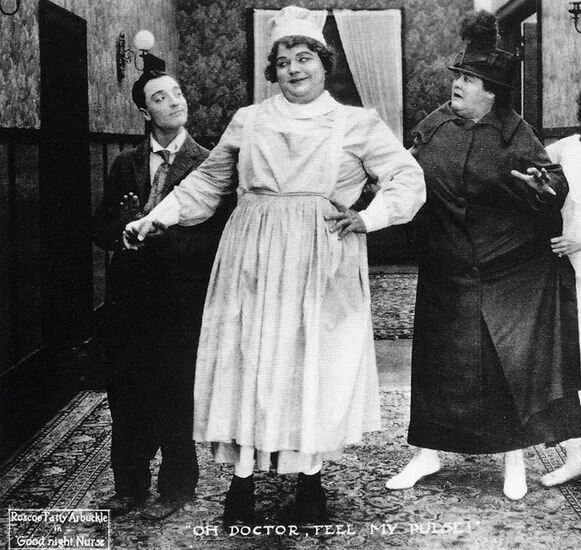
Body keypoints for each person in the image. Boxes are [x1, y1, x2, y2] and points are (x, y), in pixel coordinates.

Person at [124, 5, 425, 527]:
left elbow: (408, 179)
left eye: (304, 58)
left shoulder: (357, 123)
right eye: (283, 62)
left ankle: (310, 481)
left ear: (323, 64)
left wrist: (368, 218)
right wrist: (157, 217)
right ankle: (241, 482)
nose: (293, 69)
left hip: (321, 261)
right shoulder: (250, 119)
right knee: (250, 362)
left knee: (310, 366)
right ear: (273, 70)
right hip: (252, 256)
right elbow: (208, 182)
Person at [385, 11, 581, 500]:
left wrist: (544, 187)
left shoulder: (517, 133)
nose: (457, 85)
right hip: (447, 267)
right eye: (457, 76)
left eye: (468, 80)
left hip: (507, 270)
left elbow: (553, 186)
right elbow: (405, 175)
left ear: (491, 92)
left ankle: (513, 461)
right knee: (438, 364)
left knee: (503, 367)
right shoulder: (434, 126)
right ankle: (427, 454)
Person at [92, 70, 232, 519]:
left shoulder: (210, 163)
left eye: (177, 93)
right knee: (127, 392)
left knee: (176, 392)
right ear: (144, 110)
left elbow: (219, 239)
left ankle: (176, 488)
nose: (174, 102)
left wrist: (161, 237)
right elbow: (101, 227)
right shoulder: (124, 164)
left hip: (182, 300)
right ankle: (128, 487)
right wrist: (123, 231)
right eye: (160, 97)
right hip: (130, 302)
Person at [543, 91, 581, 487]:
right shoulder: (566, 149)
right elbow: (537, 178)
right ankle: (576, 458)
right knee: (572, 365)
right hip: (567, 275)